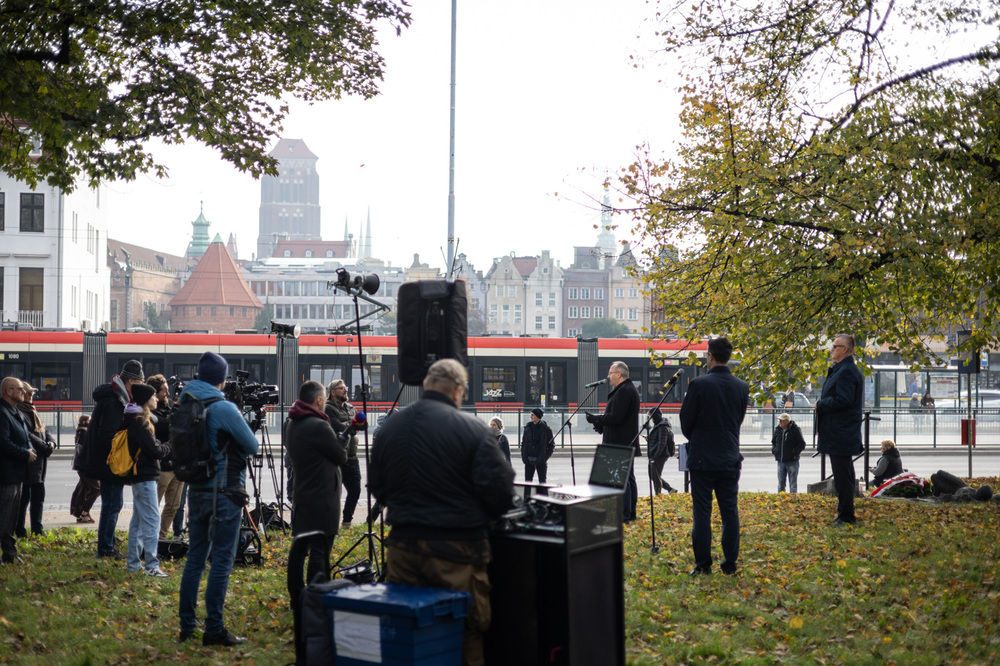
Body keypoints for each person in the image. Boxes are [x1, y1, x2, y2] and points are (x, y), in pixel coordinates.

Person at [370, 359, 514, 666]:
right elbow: (501, 495)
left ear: (425, 386)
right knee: (465, 632)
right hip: (457, 554)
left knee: (409, 634)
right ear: (459, 391)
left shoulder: (391, 427)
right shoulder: (474, 431)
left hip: (402, 550)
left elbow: (378, 488)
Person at [178, 352, 259, 647]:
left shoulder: (186, 402)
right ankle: (214, 629)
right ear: (222, 379)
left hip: (196, 491)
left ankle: (187, 626)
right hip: (223, 493)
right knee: (222, 561)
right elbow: (252, 445)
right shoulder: (223, 407)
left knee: (195, 558)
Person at [679, 337, 749, 575]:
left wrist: (698, 437)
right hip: (729, 456)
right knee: (730, 512)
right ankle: (729, 564)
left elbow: (686, 422)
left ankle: (703, 565)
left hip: (702, 458)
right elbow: (738, 420)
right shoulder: (741, 386)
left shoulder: (698, 385)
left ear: (709, 356)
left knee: (702, 513)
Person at [286, 380, 347, 584]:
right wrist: (343, 440)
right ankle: (316, 598)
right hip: (323, 498)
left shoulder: (293, 422)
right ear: (319, 399)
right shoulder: (319, 425)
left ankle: (297, 599)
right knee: (320, 551)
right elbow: (340, 456)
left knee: (299, 549)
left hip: (303, 494)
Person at [83, 359, 145, 559]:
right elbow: (109, 435)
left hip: (108, 461)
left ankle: (106, 546)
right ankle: (106, 549)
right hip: (109, 463)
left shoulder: (116, 397)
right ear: (132, 382)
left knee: (112, 504)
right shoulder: (113, 400)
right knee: (112, 505)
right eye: (140, 383)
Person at [122, 383, 171, 577]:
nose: (157, 399)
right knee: (152, 521)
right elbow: (155, 451)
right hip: (145, 476)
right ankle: (151, 565)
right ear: (145, 400)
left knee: (138, 522)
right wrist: (171, 444)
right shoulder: (140, 422)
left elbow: (153, 447)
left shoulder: (137, 420)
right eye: (153, 396)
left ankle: (133, 564)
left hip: (140, 476)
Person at [815, 334, 865, 527]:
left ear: (845, 349)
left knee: (843, 476)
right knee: (843, 475)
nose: (831, 350)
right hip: (839, 432)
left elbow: (844, 400)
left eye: (835, 346)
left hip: (841, 432)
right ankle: (844, 512)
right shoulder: (844, 369)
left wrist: (821, 404)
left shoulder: (846, 371)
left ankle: (846, 516)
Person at [585, 361, 641, 522]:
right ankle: (630, 513)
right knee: (628, 478)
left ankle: (625, 515)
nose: (608, 377)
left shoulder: (624, 391)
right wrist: (601, 426)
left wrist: (597, 419)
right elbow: (619, 418)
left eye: (610, 373)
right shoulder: (626, 389)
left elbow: (617, 417)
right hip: (623, 441)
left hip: (620, 443)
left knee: (621, 479)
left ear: (619, 374)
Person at [0, 378, 36, 564]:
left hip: (17, 473)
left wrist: (30, 449)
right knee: (4, 516)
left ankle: (9, 552)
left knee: (12, 517)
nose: (24, 392)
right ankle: (8, 552)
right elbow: (3, 443)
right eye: (21, 389)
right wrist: (25, 453)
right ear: (8, 391)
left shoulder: (15, 412)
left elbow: (25, 435)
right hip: (7, 474)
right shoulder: (2, 412)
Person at [15, 382, 55, 537]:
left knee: (38, 499)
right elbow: (28, 435)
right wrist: (45, 446)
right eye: (28, 393)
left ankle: (37, 529)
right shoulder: (19, 412)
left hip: (39, 464)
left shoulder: (33, 410)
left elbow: (45, 430)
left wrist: (51, 442)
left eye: (32, 393)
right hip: (29, 464)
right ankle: (20, 530)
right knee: (23, 500)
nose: (31, 395)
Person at [148, 375, 182, 539]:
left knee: (173, 506)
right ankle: (150, 537)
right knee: (154, 505)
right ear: (155, 392)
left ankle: (161, 536)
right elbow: (161, 430)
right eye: (164, 390)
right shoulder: (150, 410)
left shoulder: (170, 407)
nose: (168, 393)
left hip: (177, 464)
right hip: (162, 467)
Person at [325, 379, 361, 527]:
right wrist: (350, 425)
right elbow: (336, 427)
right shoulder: (327, 408)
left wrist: (349, 425)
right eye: (342, 388)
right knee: (333, 493)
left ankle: (347, 521)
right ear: (333, 392)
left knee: (355, 491)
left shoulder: (350, 407)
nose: (346, 390)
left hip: (351, 456)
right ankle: (330, 523)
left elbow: (362, 425)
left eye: (345, 387)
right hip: (336, 457)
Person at [71, 415, 99, 523]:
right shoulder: (84, 432)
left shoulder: (80, 431)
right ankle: (84, 512)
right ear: (84, 422)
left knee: (83, 489)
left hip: (81, 465)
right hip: (85, 466)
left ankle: (80, 512)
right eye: (89, 421)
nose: (91, 422)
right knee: (96, 488)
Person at [771, 413, 806, 493]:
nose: (780, 422)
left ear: (787, 421)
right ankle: (781, 500)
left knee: (793, 484)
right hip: (780, 460)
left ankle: (792, 500)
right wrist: (775, 451)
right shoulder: (778, 430)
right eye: (779, 420)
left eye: (782, 421)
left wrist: (794, 453)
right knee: (781, 484)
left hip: (792, 460)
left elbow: (801, 444)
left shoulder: (795, 430)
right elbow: (774, 442)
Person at [645, 408, 677, 494]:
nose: (651, 419)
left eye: (651, 417)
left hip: (660, 455)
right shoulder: (659, 425)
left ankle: (658, 495)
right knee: (653, 476)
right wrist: (649, 439)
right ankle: (670, 490)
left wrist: (655, 457)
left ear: (655, 416)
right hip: (656, 453)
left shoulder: (662, 427)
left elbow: (661, 443)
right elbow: (658, 440)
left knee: (656, 476)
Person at [520, 408, 554, 482]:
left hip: (541, 461)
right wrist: (524, 457)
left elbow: (551, 445)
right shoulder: (527, 428)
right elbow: (523, 443)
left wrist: (544, 458)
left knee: (542, 482)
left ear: (538, 416)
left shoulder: (546, 429)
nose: (531, 417)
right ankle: (527, 494)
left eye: (533, 415)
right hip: (528, 460)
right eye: (530, 415)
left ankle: (542, 494)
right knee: (527, 483)